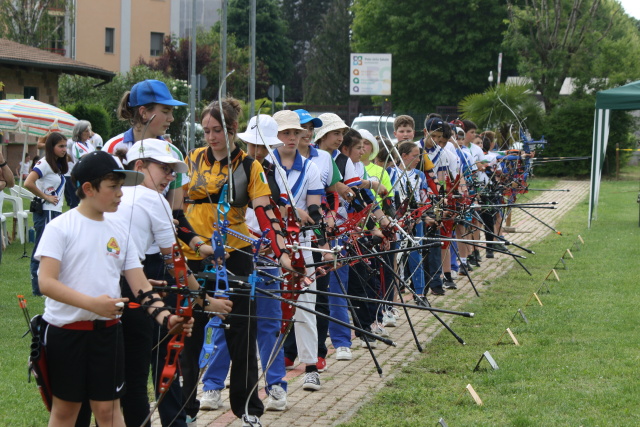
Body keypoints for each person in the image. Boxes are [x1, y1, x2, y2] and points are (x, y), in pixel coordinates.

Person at [35, 150, 193, 427]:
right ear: (88, 189)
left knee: (109, 411)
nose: (121, 193)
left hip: (108, 336)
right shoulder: (61, 227)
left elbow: (141, 286)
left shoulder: (120, 231)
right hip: (66, 335)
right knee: (65, 412)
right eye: (113, 186)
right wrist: (92, 304)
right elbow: (46, 282)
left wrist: (167, 319)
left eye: (121, 186)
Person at [182, 98, 292, 426]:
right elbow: (177, 209)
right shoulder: (191, 160)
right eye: (206, 131)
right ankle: (186, 410)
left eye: (217, 130)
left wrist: (282, 250)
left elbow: (265, 210)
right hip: (195, 256)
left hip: (236, 256)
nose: (211, 137)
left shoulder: (250, 166)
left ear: (232, 131)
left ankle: (247, 410)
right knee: (190, 335)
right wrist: (196, 244)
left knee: (242, 334)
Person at [24, 133, 68, 296]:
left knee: (52, 248)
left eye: (65, 146)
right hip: (46, 211)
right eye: (61, 146)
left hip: (54, 211)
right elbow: (29, 182)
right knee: (43, 249)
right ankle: (38, 288)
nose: (64, 149)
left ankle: (47, 285)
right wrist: (46, 197)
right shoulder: (44, 164)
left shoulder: (56, 164)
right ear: (52, 147)